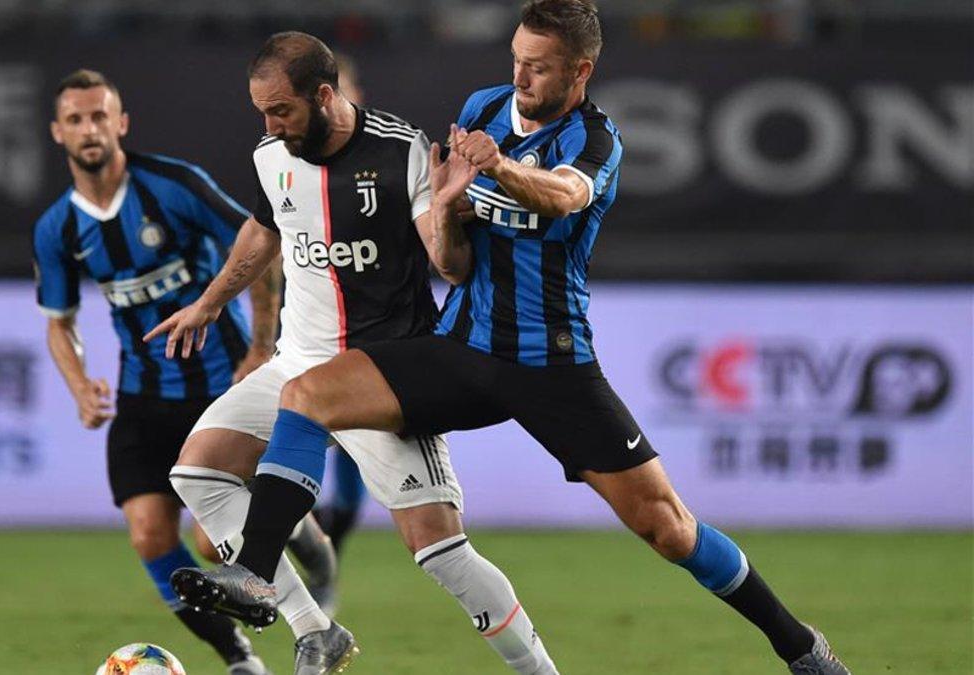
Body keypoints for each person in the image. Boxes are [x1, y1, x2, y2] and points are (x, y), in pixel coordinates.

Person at [155, 3, 854, 674]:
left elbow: (562, 196)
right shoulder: (484, 108)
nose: (521, 77)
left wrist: (497, 170)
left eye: (541, 67)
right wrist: (450, 205)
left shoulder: (596, 140)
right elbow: (454, 261)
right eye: (517, 60)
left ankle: (799, 646)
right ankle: (255, 573)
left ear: (580, 72)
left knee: (667, 527)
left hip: (552, 363)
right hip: (460, 348)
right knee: (305, 392)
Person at [145, 32, 559, 675]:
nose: (270, 125)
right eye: (261, 112)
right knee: (199, 473)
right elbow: (264, 230)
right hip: (298, 362)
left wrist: (447, 208)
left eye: (281, 110)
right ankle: (316, 631)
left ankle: (538, 670)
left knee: (441, 551)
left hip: (382, 376)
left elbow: (449, 266)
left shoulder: (402, 152)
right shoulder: (271, 155)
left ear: (325, 94)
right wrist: (209, 302)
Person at [34, 69, 289, 675]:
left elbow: (261, 246)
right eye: (76, 119)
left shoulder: (174, 185)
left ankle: (298, 535)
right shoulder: (57, 229)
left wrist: (259, 348)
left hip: (220, 388)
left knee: (209, 543)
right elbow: (58, 321)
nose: (89, 128)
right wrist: (79, 388)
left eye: (100, 116)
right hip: (142, 396)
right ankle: (238, 658)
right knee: (151, 536)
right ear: (58, 133)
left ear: (120, 123)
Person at [309, 53, 368, 574]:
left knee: (357, 482)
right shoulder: (286, 167)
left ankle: (323, 561)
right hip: (312, 340)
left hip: (374, 341)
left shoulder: (389, 163)